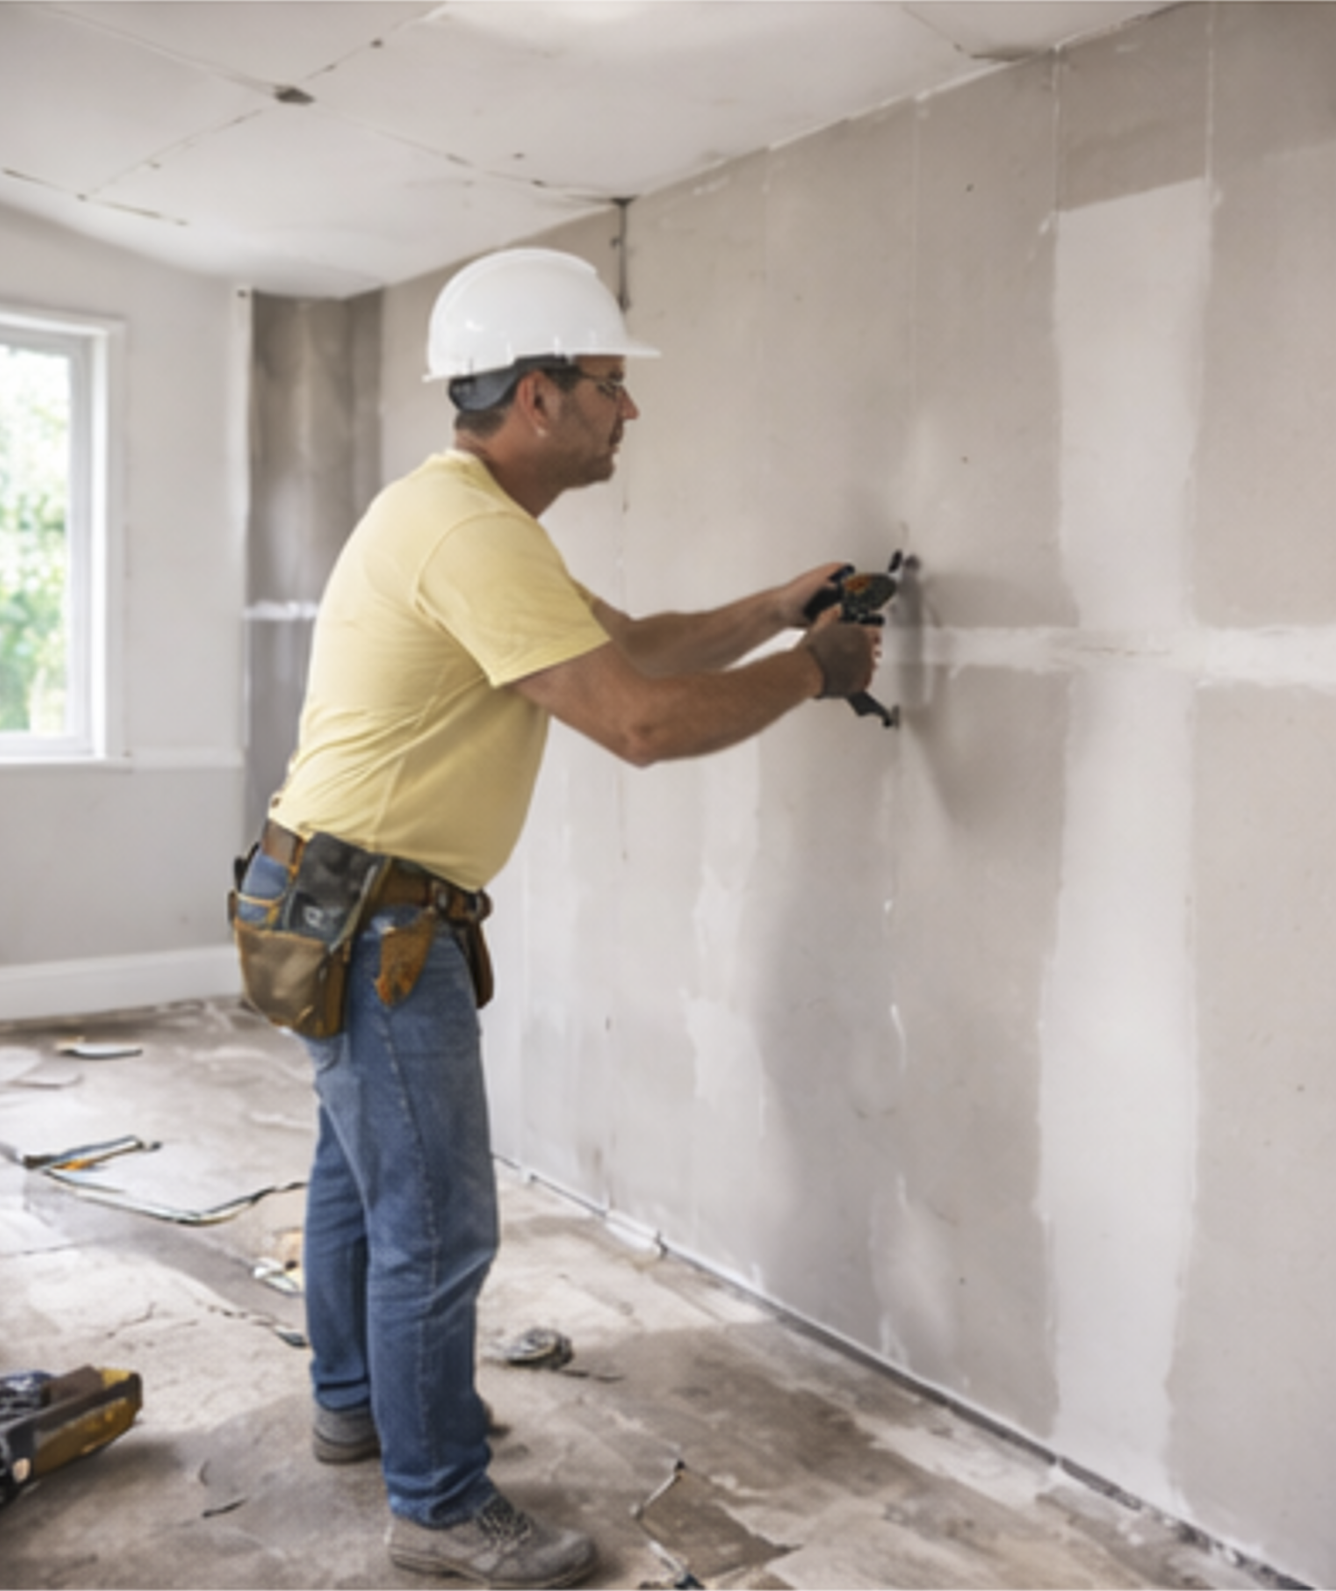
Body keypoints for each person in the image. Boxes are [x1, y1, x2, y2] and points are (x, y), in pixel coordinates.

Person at [243, 247, 881, 1588]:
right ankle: (438, 1506)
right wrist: (809, 674)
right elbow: (639, 723)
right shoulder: (472, 534)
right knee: (438, 1219)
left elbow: (636, 644)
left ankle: (358, 1405)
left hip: (320, 895)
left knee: (360, 1174)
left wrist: (774, 610)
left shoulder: (468, 521)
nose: (627, 410)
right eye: (609, 385)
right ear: (538, 395)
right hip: (369, 923)